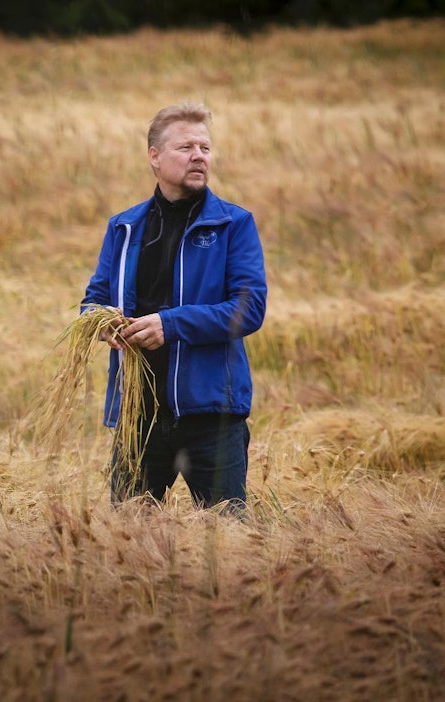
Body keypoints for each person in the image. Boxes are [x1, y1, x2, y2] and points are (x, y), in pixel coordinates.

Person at [80, 101, 267, 512]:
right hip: (138, 415)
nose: (199, 155)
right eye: (186, 147)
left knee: (229, 538)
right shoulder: (124, 227)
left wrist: (171, 324)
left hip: (212, 416)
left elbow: (249, 308)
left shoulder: (233, 224)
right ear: (155, 157)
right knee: (127, 538)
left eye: (205, 147)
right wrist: (101, 324)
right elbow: (92, 301)